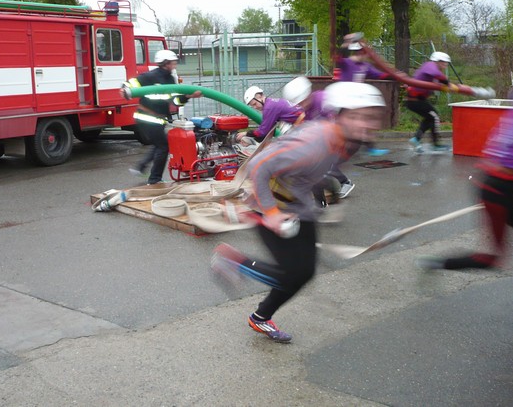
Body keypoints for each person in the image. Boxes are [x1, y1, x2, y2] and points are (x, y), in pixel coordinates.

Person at [211, 82, 386, 343]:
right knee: (292, 274)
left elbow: (314, 172)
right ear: (339, 115)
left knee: (305, 273)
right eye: (356, 116)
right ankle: (233, 261)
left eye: (371, 116)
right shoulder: (315, 142)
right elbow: (259, 165)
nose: (365, 124)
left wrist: (325, 198)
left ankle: (260, 317)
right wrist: (271, 213)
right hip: (270, 206)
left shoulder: (349, 142)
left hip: (298, 206)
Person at [416, 110, 513, 270]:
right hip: (501, 189)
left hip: (489, 184)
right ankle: (437, 263)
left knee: (490, 258)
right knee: (490, 258)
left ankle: (436, 263)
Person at [122, 49, 201, 185]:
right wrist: (124, 89)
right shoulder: (150, 76)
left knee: (160, 144)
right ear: (165, 63)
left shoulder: (170, 79)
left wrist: (188, 96)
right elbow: (130, 84)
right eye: (173, 62)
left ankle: (141, 167)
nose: (175, 65)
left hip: (158, 119)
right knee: (163, 146)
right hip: (146, 118)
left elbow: (175, 101)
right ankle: (154, 179)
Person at [282, 76, 356, 201]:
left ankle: (344, 183)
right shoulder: (306, 108)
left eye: (302, 102)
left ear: (308, 95)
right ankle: (341, 184)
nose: (301, 106)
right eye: (298, 104)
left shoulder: (323, 99)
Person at [336, 42, 394, 156]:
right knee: (341, 123)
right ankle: (338, 146)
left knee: (365, 121)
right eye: (365, 53)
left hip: (357, 98)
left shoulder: (366, 66)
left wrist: (395, 75)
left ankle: (370, 147)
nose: (367, 55)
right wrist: (345, 44)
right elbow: (338, 57)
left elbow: (380, 75)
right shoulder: (346, 62)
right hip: (344, 98)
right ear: (360, 52)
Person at [405, 51, 453, 153]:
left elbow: (437, 81)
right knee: (434, 117)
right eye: (444, 62)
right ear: (437, 61)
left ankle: (416, 139)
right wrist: (447, 82)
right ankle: (435, 144)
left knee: (430, 118)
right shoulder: (430, 65)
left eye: (446, 63)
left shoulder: (432, 69)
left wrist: (447, 85)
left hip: (417, 100)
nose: (446, 64)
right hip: (415, 100)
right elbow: (437, 75)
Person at [237, 85, 304, 142]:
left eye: (255, 104)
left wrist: (246, 133)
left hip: (304, 124)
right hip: (304, 120)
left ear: (260, 97)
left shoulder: (269, 108)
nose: (255, 107)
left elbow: (262, 132)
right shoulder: (272, 102)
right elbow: (267, 130)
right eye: (252, 106)